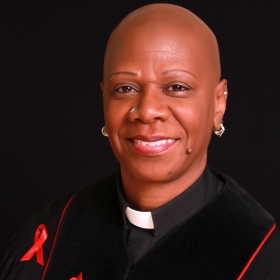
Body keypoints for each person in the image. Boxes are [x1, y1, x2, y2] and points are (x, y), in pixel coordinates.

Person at [1, 3, 280, 280]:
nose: (147, 111)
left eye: (177, 87)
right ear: (105, 101)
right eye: (125, 88)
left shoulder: (263, 256)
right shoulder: (49, 234)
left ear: (218, 104)